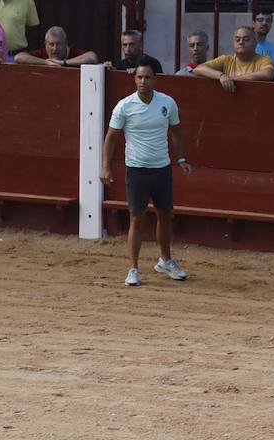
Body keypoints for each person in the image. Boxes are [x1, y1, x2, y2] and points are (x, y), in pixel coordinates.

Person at [101, 62, 191, 288]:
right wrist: (105, 166)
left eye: (147, 77)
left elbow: (177, 132)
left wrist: (181, 159)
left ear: (155, 79)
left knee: (165, 215)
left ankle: (165, 260)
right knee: (136, 218)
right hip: (137, 169)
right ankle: (133, 268)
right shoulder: (124, 106)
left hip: (162, 168)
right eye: (140, 77)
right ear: (135, 80)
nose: (143, 82)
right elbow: (111, 137)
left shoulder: (167, 103)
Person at [193, 26, 274, 90]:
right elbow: (198, 69)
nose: (241, 42)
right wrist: (221, 76)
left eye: (246, 39)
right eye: (237, 39)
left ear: (255, 43)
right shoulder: (226, 59)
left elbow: (267, 74)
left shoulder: (264, 59)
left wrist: (233, 79)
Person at [14, 26, 96, 67]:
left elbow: (92, 56)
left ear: (66, 43)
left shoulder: (72, 51)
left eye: (59, 44)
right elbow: (18, 57)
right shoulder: (43, 52)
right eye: (51, 44)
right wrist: (46, 62)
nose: (55, 48)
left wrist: (63, 63)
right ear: (45, 44)